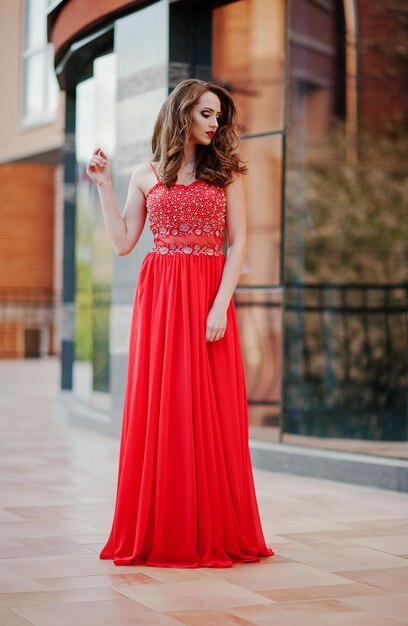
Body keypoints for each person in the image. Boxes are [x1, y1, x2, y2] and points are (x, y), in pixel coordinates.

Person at [86, 78, 274, 568]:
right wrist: (104, 186)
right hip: (162, 301)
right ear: (183, 113)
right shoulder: (145, 176)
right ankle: (161, 528)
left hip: (209, 296)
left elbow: (238, 243)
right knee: (165, 406)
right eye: (207, 114)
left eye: (218, 116)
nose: (215, 123)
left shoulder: (227, 173)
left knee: (209, 409)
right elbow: (124, 241)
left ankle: (211, 527)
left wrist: (219, 306)